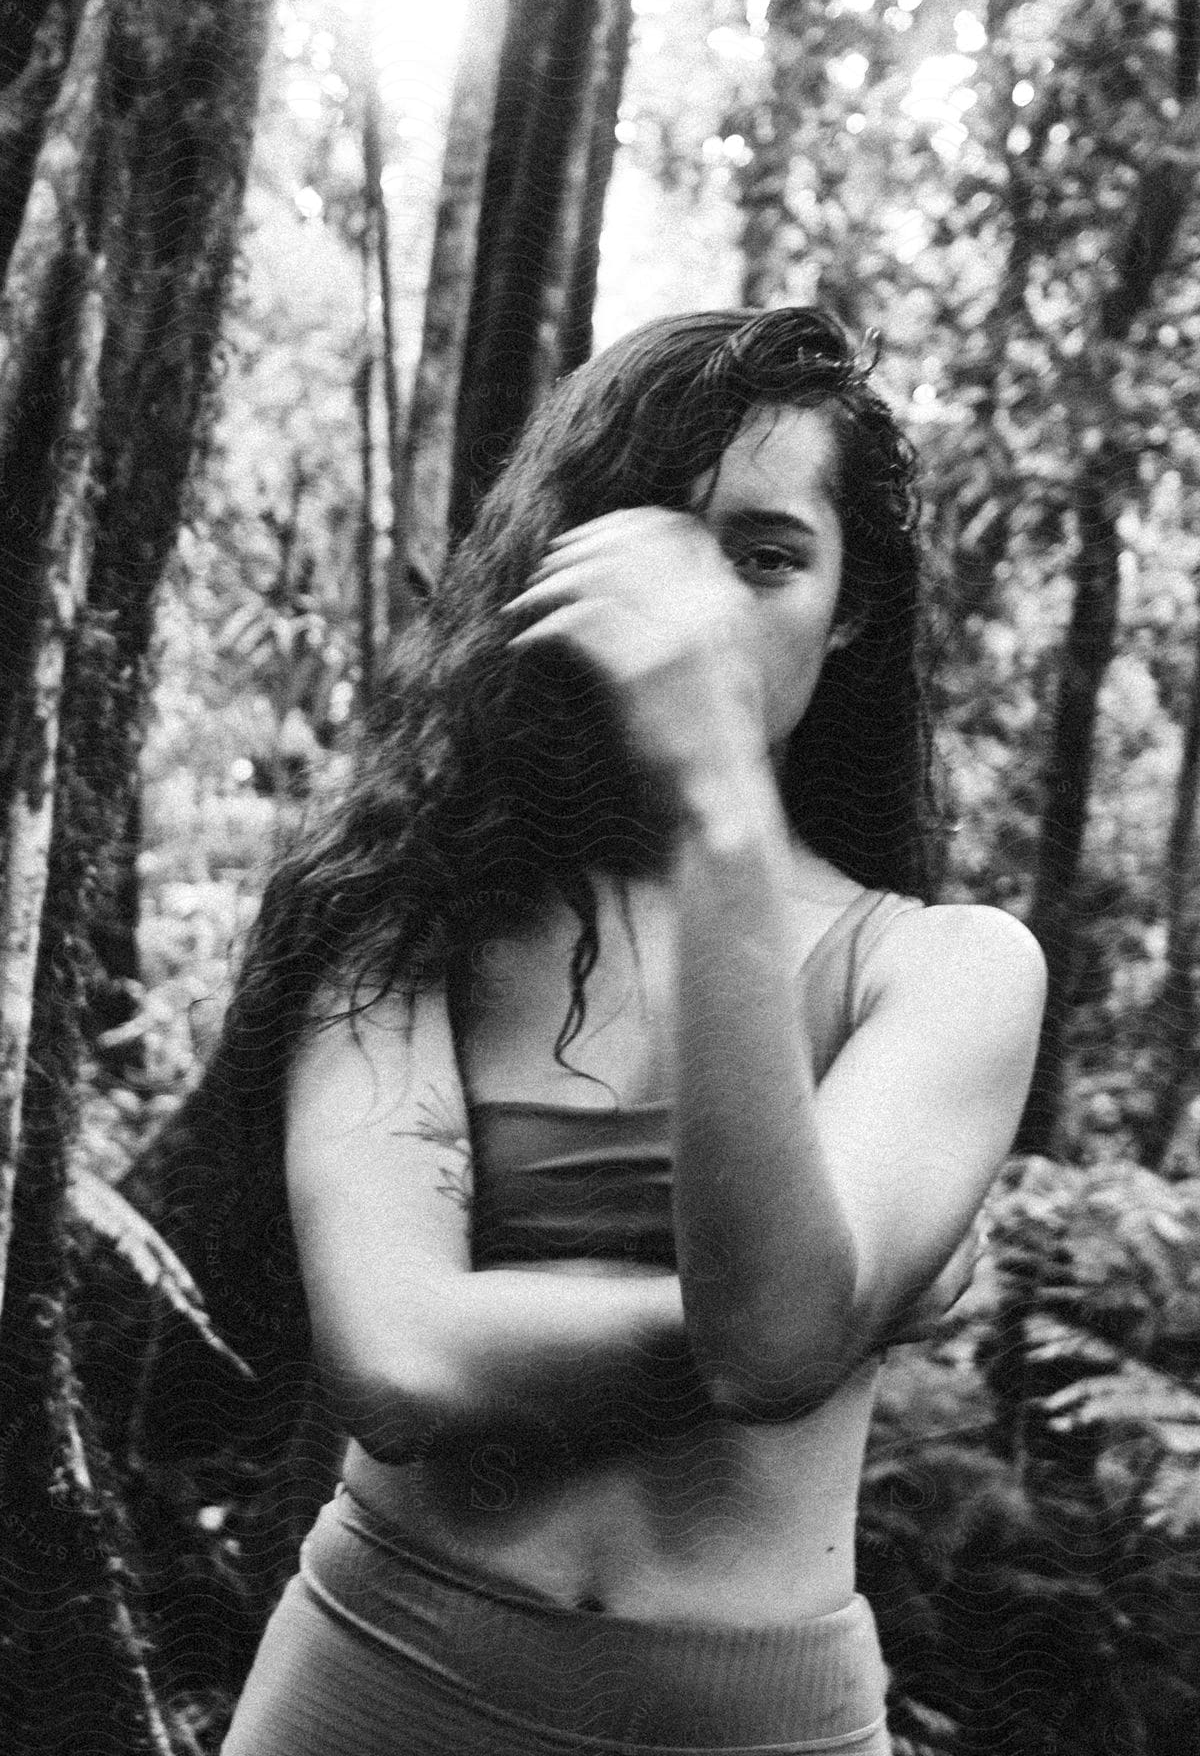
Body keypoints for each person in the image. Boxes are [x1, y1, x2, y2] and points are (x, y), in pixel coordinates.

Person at [218, 307, 1046, 1755]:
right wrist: (845, 1294)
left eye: (767, 559)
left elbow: (778, 1344)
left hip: (756, 1721)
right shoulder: (401, 915)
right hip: (372, 1677)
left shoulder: (948, 971)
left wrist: (719, 802)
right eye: (652, 552)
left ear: (852, 610)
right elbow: (402, 1363)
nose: (704, 616)